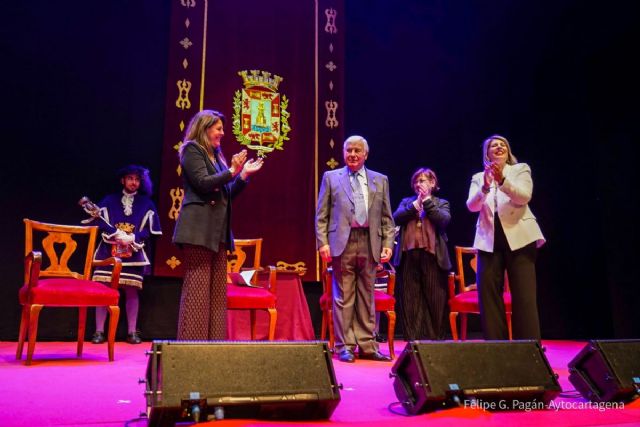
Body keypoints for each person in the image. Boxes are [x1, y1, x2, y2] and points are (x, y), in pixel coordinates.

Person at [172, 109, 263, 340]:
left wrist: (242, 177)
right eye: (219, 128)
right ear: (205, 128)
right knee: (198, 291)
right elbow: (203, 183)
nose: (222, 133)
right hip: (198, 231)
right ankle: (191, 349)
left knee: (216, 295)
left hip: (218, 232)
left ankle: (214, 347)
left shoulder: (217, 157)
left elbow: (225, 194)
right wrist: (233, 171)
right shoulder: (192, 149)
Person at [316, 135, 395, 362]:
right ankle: (345, 346)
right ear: (343, 153)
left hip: (370, 242)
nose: (352, 154)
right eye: (348, 150)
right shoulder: (331, 177)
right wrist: (323, 243)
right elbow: (321, 215)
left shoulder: (380, 180)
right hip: (343, 242)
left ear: (365, 155)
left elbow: (387, 218)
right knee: (343, 296)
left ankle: (368, 345)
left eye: (357, 151)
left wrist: (388, 244)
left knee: (367, 295)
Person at [466, 134, 545, 340]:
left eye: (503, 145)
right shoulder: (478, 177)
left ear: (508, 151)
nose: (499, 147)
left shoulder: (520, 170)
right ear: (487, 153)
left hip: (520, 238)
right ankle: (497, 348)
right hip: (488, 240)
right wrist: (485, 185)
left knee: (524, 297)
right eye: (494, 145)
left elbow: (524, 197)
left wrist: (502, 179)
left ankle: (528, 348)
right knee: (489, 297)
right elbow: (472, 206)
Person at [84, 165, 162, 344]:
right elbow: (99, 222)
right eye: (130, 179)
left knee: (132, 291)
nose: (133, 182)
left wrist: (133, 237)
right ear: (123, 180)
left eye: (137, 179)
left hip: (134, 252)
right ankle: (98, 331)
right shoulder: (109, 200)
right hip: (109, 250)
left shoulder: (147, 203)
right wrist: (116, 234)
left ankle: (132, 331)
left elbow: (152, 230)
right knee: (104, 291)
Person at [392, 168, 451, 340]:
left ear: (432, 183)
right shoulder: (406, 202)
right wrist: (415, 205)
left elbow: (443, 220)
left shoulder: (441, 203)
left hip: (432, 256)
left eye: (423, 181)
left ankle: (436, 340)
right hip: (408, 255)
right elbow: (396, 217)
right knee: (410, 300)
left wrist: (426, 201)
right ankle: (413, 340)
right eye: (416, 181)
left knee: (435, 299)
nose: (419, 184)